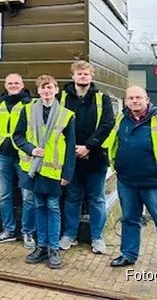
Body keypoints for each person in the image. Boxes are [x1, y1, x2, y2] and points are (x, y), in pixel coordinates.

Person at [103, 86, 157, 276]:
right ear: (126, 101)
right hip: (127, 182)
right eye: (131, 98)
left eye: (138, 97)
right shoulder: (121, 119)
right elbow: (113, 143)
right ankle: (128, 254)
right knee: (129, 220)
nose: (135, 101)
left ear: (147, 99)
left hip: (156, 183)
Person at [14, 74, 76, 269]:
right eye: (42, 88)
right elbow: (17, 135)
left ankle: (54, 249)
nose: (46, 91)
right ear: (38, 91)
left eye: (50, 87)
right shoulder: (28, 110)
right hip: (33, 169)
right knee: (38, 206)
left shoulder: (67, 114)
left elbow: (71, 146)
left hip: (54, 171)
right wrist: (30, 149)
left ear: (56, 90)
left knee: (53, 207)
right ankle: (41, 247)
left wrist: (67, 174)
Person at [57, 61, 115, 254]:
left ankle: (97, 238)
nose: (83, 77)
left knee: (96, 199)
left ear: (92, 76)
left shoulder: (102, 99)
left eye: (86, 74)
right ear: (72, 76)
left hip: (95, 158)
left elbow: (107, 124)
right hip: (69, 158)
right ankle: (69, 235)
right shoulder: (61, 97)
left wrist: (88, 146)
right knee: (72, 198)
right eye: (79, 74)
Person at [0, 73, 37, 249]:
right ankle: (8, 231)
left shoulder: (31, 103)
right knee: (4, 195)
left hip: (24, 155)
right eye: (10, 83)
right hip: (1, 154)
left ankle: (28, 232)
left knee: (28, 196)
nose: (13, 85)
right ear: (5, 85)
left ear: (23, 84)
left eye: (16, 83)